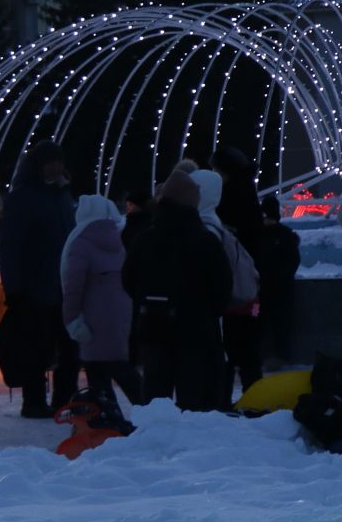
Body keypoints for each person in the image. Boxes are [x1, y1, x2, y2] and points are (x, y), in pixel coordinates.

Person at [123, 170, 233, 410]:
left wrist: (148, 302)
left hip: (153, 327)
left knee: (155, 400)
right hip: (196, 332)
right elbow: (223, 288)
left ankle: (154, 442)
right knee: (194, 403)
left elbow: (128, 280)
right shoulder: (206, 241)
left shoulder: (144, 239)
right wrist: (206, 312)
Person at [0, 141, 78, 416]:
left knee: (69, 347)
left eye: (58, 161)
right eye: (49, 162)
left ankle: (63, 399)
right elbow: (10, 245)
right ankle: (33, 402)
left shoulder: (63, 195)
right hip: (34, 287)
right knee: (36, 347)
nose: (55, 167)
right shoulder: (23, 197)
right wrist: (14, 288)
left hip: (64, 286)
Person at [60, 194, 141, 404]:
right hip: (119, 311)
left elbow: (73, 286)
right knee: (116, 364)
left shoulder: (81, 242)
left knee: (100, 369)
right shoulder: (115, 238)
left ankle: (111, 417)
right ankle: (144, 410)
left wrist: (71, 319)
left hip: (93, 315)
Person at [194, 168, 263, 399]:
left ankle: (224, 402)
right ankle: (253, 398)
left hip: (231, 303)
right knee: (247, 353)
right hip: (249, 299)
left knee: (229, 353)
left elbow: (215, 272)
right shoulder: (238, 211)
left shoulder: (210, 226)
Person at [256, 194, 301, 365]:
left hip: (265, 289)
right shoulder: (285, 235)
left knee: (262, 321)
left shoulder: (260, 234)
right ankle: (278, 355)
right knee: (276, 321)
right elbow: (293, 261)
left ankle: (268, 355)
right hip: (277, 289)